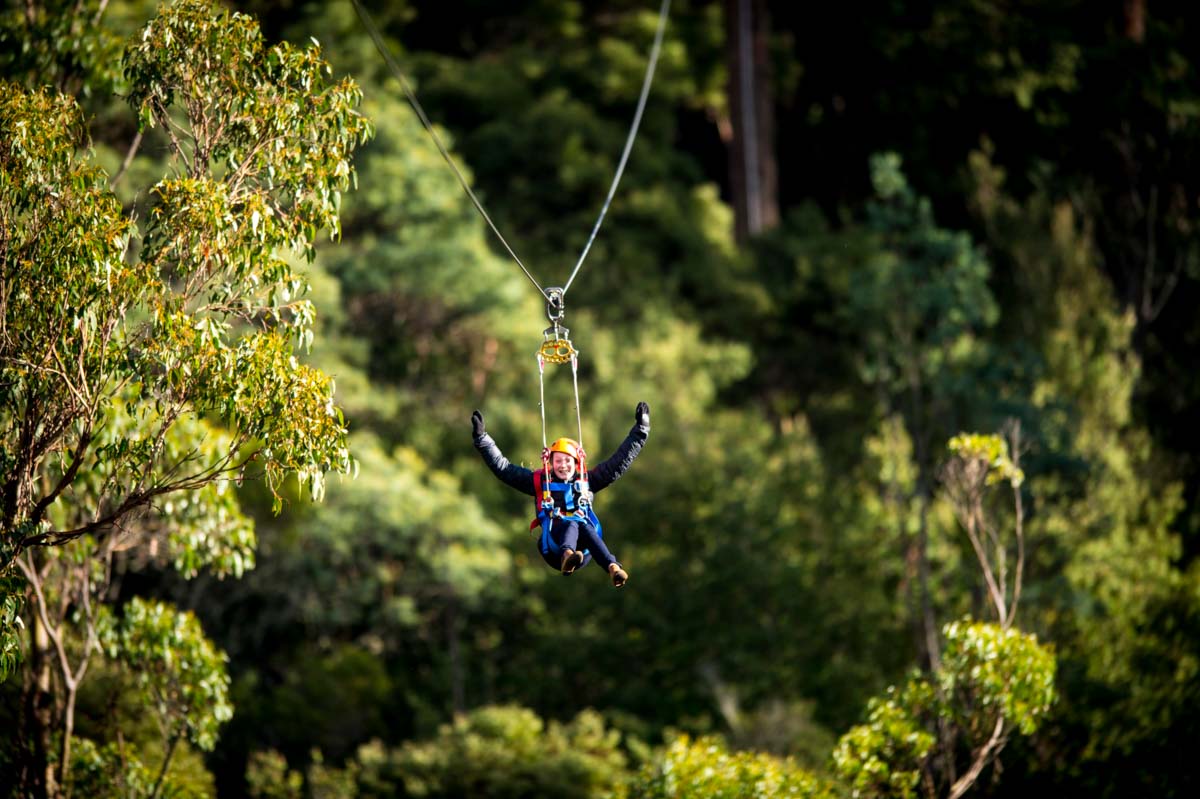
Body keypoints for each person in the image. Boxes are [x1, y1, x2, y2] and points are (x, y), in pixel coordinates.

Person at [471, 402, 650, 587]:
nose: (563, 465)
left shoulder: (587, 481)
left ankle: (613, 567)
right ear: (551, 463)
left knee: (583, 525)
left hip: (584, 551)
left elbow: (619, 463)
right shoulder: (540, 481)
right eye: (558, 461)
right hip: (553, 547)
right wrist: (482, 439)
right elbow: (504, 469)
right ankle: (567, 556)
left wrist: (641, 430)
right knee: (572, 521)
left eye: (567, 461)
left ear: (575, 462)